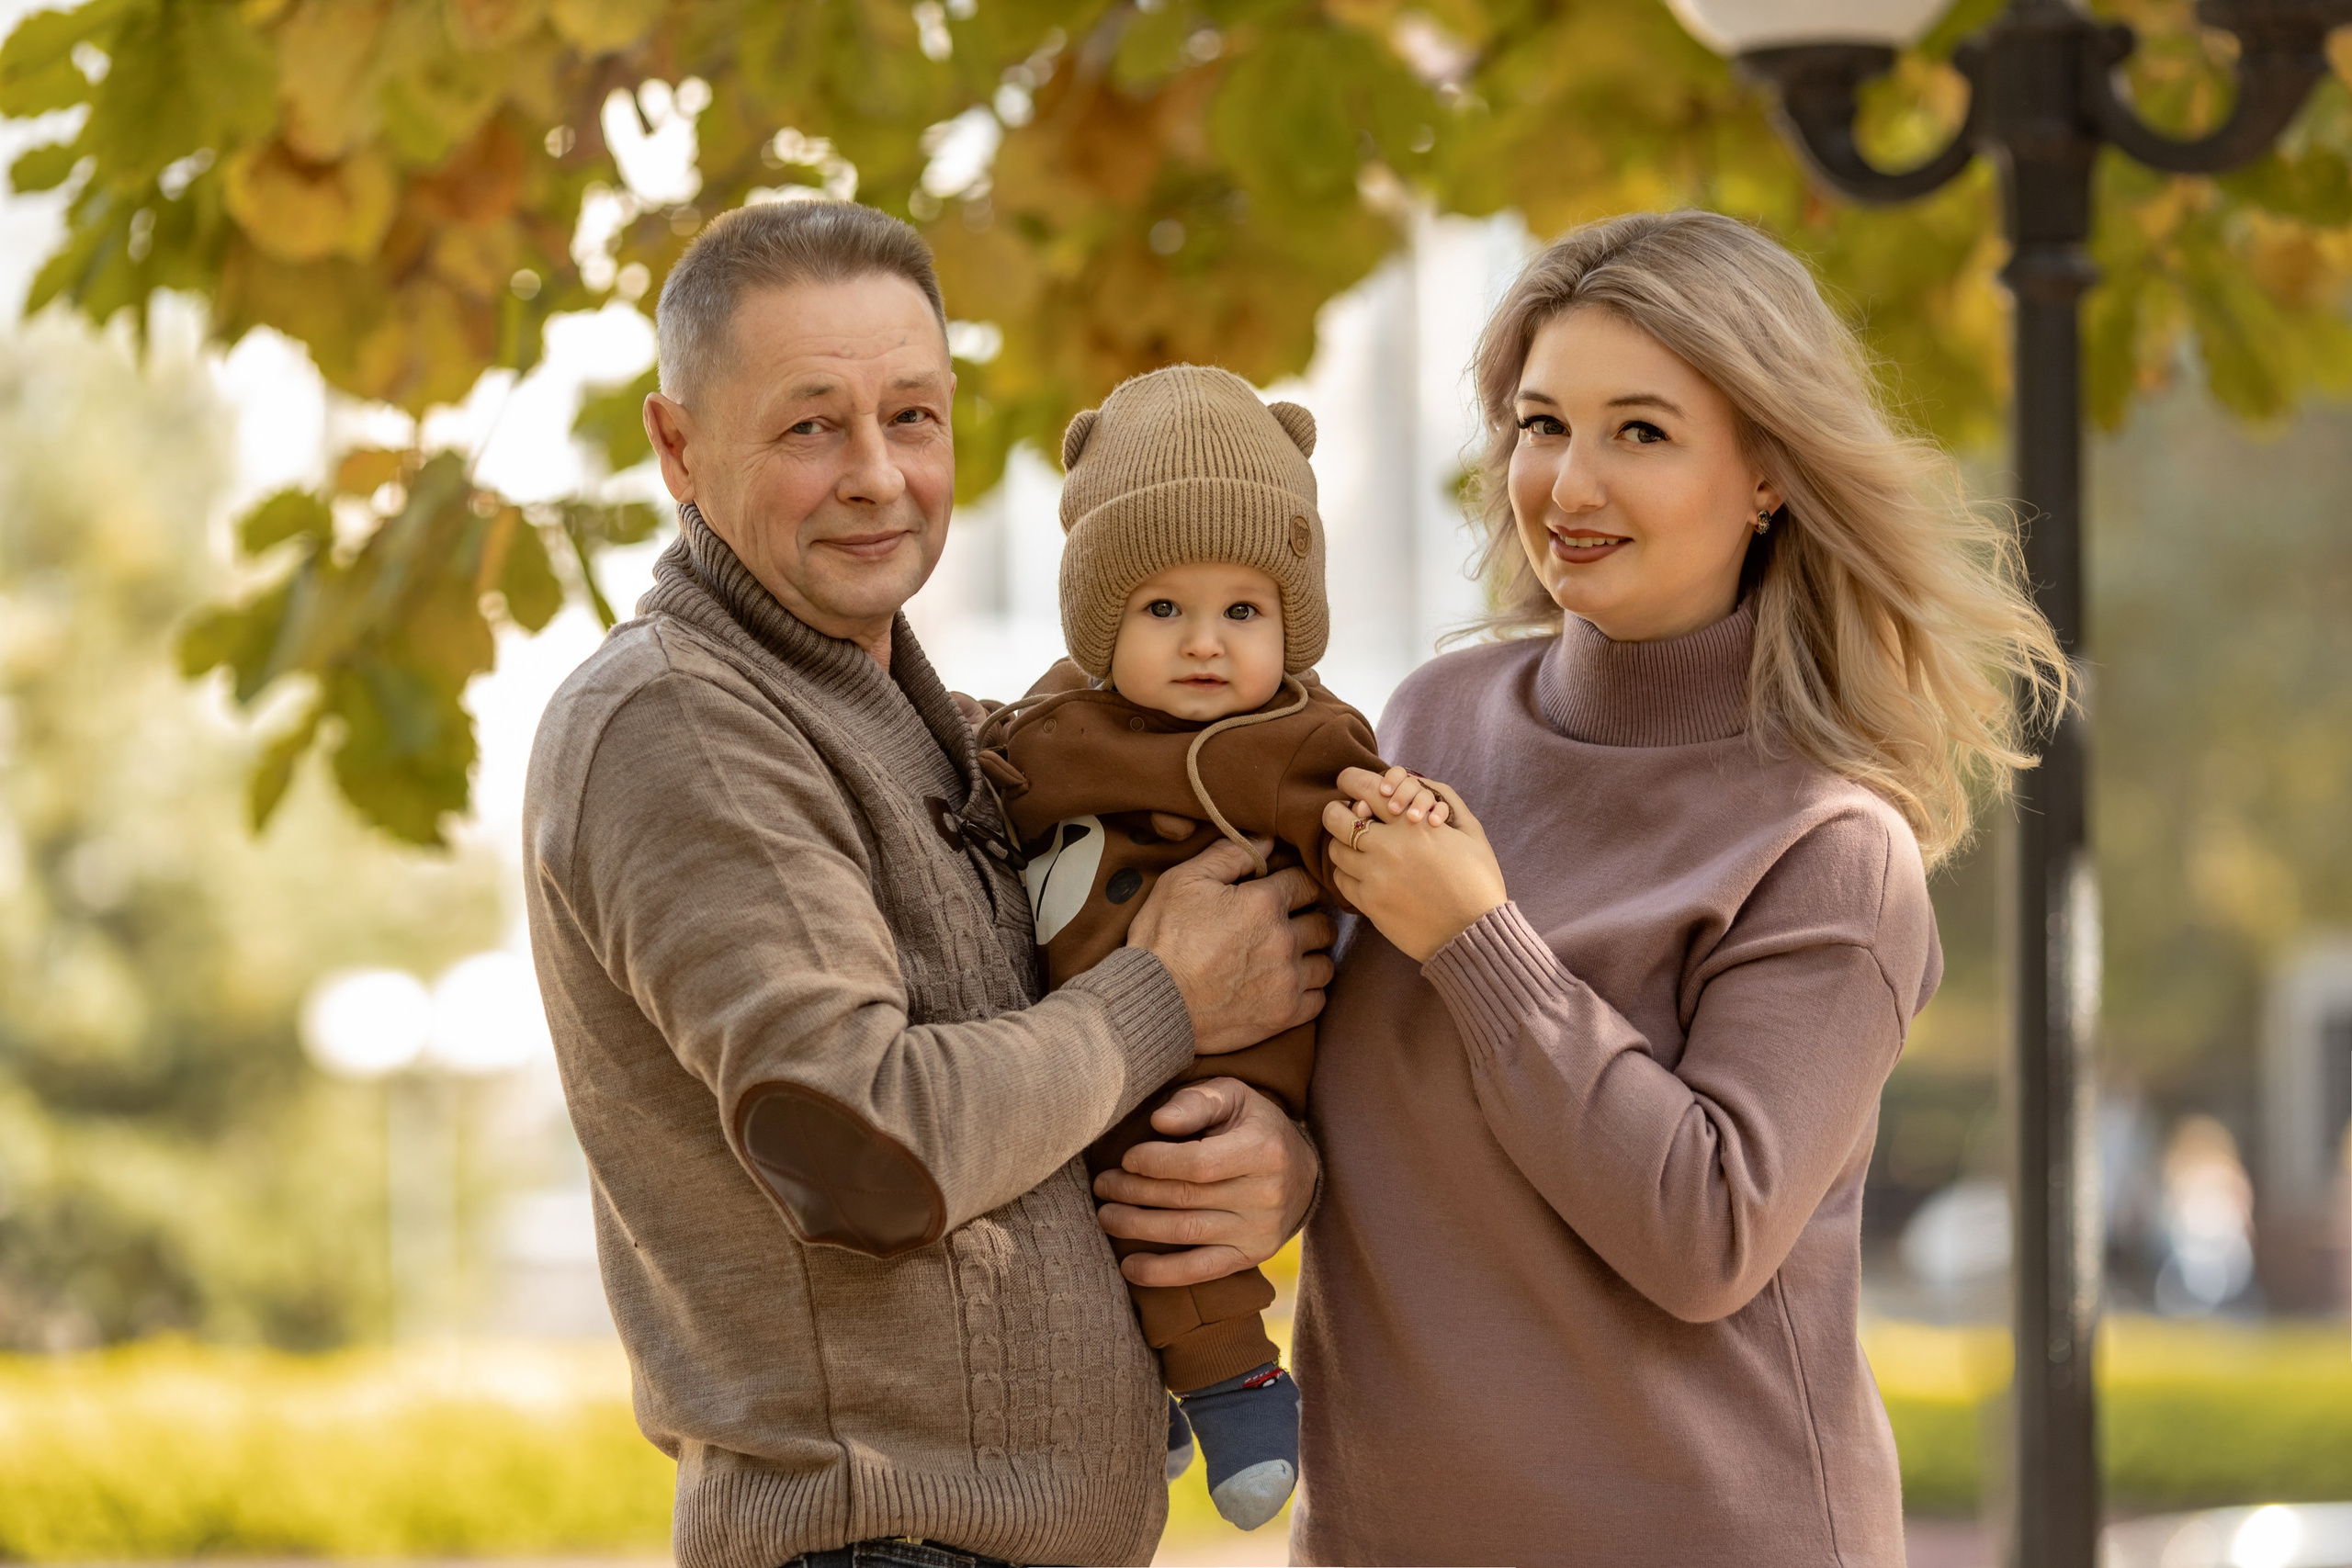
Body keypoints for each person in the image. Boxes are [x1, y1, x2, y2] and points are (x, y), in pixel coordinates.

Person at [521, 200, 1324, 1568]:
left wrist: (1266, 1164)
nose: (879, 476)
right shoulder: (684, 722)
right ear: (678, 445)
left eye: (912, 415)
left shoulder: (937, 726)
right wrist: (1165, 995)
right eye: (810, 424)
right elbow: (866, 1142)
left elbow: (1054, 1097)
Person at [1291, 209, 2069, 1566]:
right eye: (1544, 425)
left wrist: (1479, 940)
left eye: (1639, 432)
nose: (1569, 485)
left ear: (1766, 468)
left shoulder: (1828, 845)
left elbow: (1707, 1229)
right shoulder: (1427, 721)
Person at [975, 365, 1442, 1531]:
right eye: (1160, 610)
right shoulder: (1047, 727)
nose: (1204, 645)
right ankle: (1156, 1396)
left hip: (1227, 1058)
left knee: (1174, 1192)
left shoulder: (1294, 737)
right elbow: (983, 788)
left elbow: (1360, 824)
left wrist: (1406, 823)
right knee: (1079, 1209)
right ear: (1098, 622)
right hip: (1079, 1041)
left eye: (1242, 610)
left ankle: (1235, 1382)